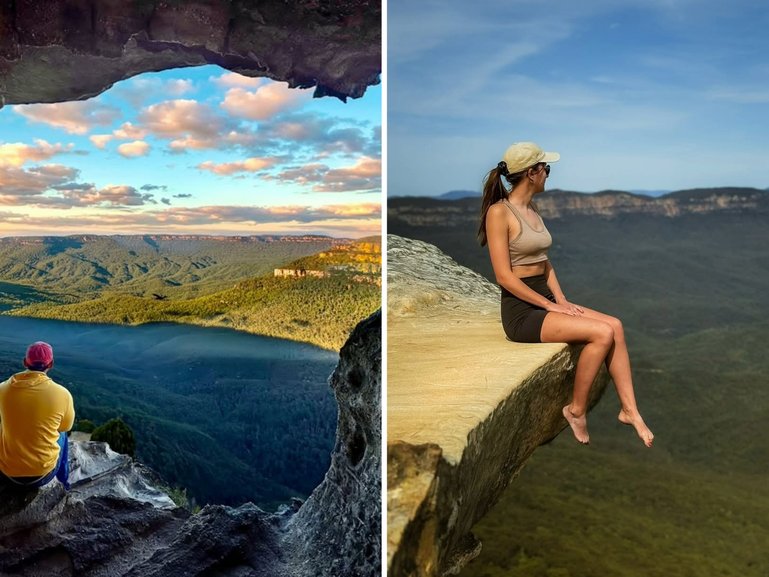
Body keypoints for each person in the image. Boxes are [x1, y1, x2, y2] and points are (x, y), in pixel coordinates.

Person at [478, 142, 653, 447]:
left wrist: (561, 301)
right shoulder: (499, 213)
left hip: (544, 300)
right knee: (600, 334)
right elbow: (504, 276)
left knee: (616, 326)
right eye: (546, 168)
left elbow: (544, 262)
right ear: (532, 173)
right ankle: (575, 410)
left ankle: (630, 411)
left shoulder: (532, 209)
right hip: (522, 311)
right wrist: (548, 305)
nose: (548, 173)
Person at [0, 341, 75, 489]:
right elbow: (65, 426)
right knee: (63, 434)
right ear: (51, 364)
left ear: (25, 362)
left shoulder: (2, 389)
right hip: (42, 475)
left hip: (6, 473)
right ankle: (64, 482)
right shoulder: (62, 394)